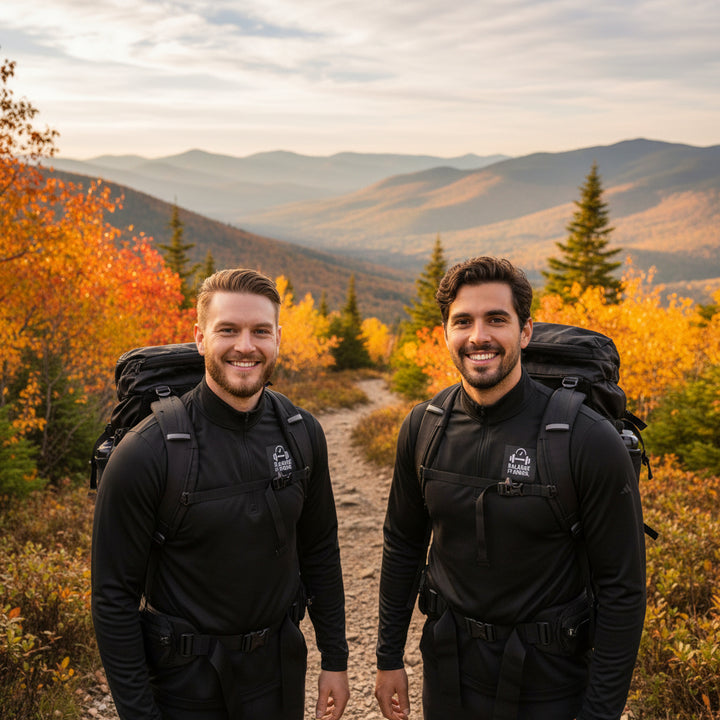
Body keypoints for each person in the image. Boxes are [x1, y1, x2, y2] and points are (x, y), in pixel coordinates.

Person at [374, 256, 646, 720]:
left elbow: (622, 588)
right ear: (446, 333)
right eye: (463, 321)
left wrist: (600, 713)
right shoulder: (424, 428)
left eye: (496, 319)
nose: (479, 335)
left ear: (525, 331)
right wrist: (388, 658)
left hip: (550, 684)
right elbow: (403, 545)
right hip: (447, 672)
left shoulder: (585, 438)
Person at [92, 268, 349, 720]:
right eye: (227, 330)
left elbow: (320, 550)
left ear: (277, 338)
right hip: (185, 687)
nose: (245, 346)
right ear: (200, 338)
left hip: (279, 676)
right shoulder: (146, 452)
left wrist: (335, 659)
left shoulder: (302, 433)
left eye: (260, 331)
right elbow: (113, 599)